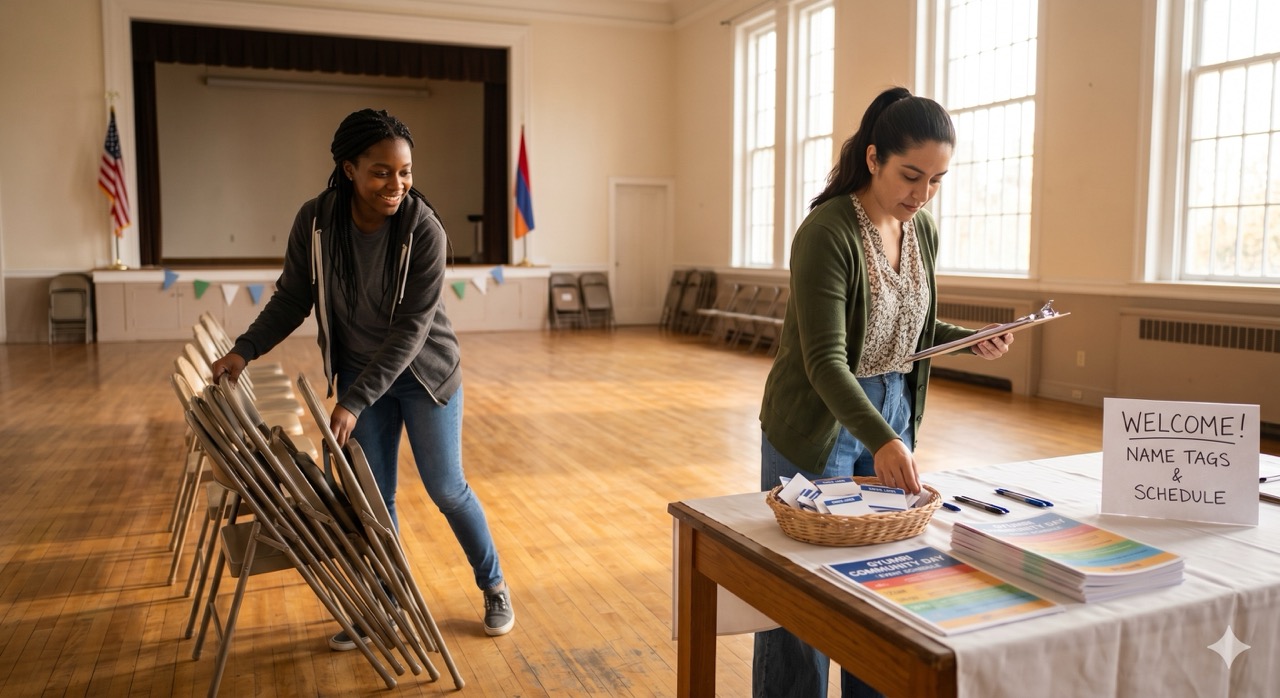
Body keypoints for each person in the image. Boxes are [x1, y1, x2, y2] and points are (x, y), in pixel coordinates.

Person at [210, 108, 514, 648]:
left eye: (405, 172)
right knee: (375, 500)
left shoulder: (424, 229)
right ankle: (388, 601)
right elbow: (293, 297)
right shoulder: (317, 221)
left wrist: (354, 400)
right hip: (358, 376)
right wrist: (245, 350)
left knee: (447, 488)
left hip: (425, 376)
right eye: (381, 172)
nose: (396, 184)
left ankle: (493, 584)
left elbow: (411, 330)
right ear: (349, 169)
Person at [754, 87, 1013, 697]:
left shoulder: (921, 231)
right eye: (911, 175)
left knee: (880, 578)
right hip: (819, 417)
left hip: (889, 406)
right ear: (873, 159)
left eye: (938, 180)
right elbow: (824, 360)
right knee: (804, 590)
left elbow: (910, 326)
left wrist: (970, 338)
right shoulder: (828, 231)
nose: (922, 194)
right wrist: (885, 438)